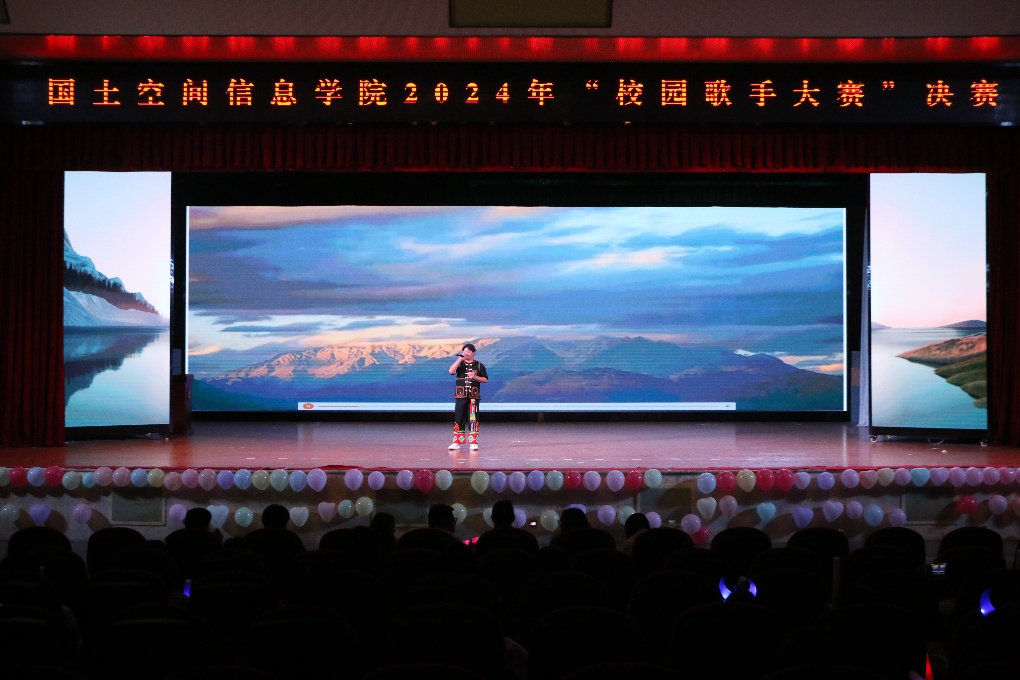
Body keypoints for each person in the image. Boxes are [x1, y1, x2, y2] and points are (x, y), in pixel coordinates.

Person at [448, 342, 488, 450]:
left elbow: (485, 379)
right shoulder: (459, 363)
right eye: (464, 351)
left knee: (473, 418)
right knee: (459, 418)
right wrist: (459, 360)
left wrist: (475, 377)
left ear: (473, 353)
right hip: (460, 396)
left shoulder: (479, 365)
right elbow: (451, 371)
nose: (466, 353)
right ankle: (456, 442)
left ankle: (473, 442)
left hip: (473, 397)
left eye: (468, 352)